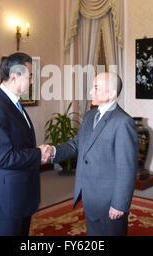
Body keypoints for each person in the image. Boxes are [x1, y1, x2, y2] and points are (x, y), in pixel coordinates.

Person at [42, 72, 139, 236]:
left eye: (95, 87)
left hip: (109, 201)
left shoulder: (123, 122)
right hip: (90, 196)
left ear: (111, 93)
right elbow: (76, 145)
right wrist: (53, 151)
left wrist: (119, 204)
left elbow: (127, 168)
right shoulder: (89, 116)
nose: (90, 92)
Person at [0, 52, 51, 236]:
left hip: (20, 193)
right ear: (14, 77)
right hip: (8, 198)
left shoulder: (12, 103)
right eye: (29, 76)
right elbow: (5, 158)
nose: (32, 82)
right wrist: (38, 154)